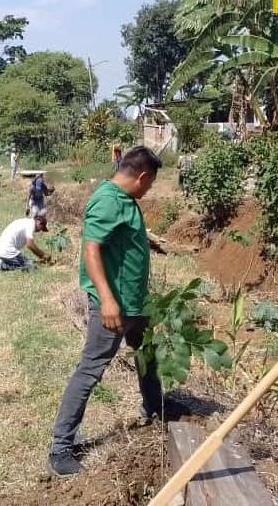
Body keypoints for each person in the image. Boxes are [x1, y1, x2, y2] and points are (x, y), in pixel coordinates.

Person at [48, 146, 178, 477]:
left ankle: (155, 407)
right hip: (115, 306)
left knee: (147, 355)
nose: (148, 191)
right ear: (143, 176)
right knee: (90, 370)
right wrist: (107, 300)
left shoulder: (124, 200)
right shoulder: (107, 200)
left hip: (136, 303)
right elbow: (91, 251)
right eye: (149, 185)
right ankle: (60, 448)